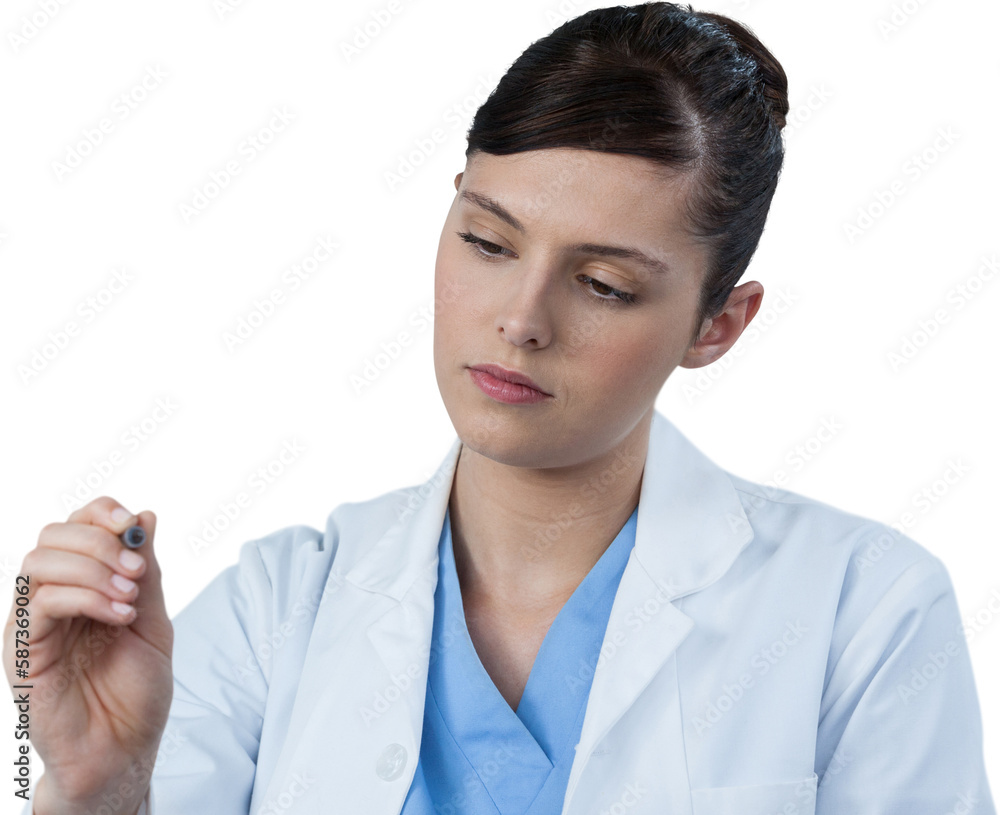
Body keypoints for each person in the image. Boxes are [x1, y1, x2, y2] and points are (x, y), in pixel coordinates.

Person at [6, 3, 995, 813]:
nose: (520, 319)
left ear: (716, 325)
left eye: (604, 284)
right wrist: (98, 790)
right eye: (487, 242)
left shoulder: (863, 611)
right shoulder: (277, 609)